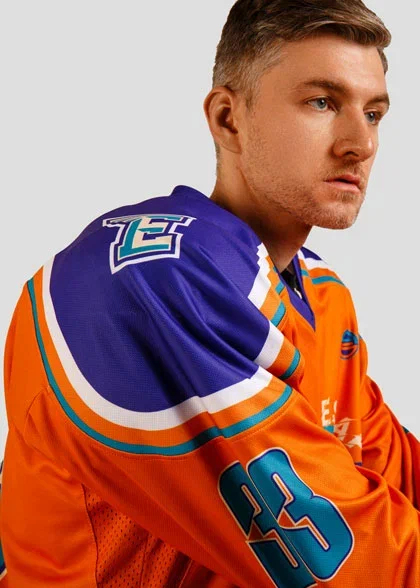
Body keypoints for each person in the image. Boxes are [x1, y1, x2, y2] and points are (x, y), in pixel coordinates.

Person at [0, 0, 419, 586]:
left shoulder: (323, 297)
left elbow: (397, 473)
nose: (361, 143)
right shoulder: (147, 279)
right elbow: (352, 562)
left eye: (373, 113)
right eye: (322, 102)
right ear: (228, 119)